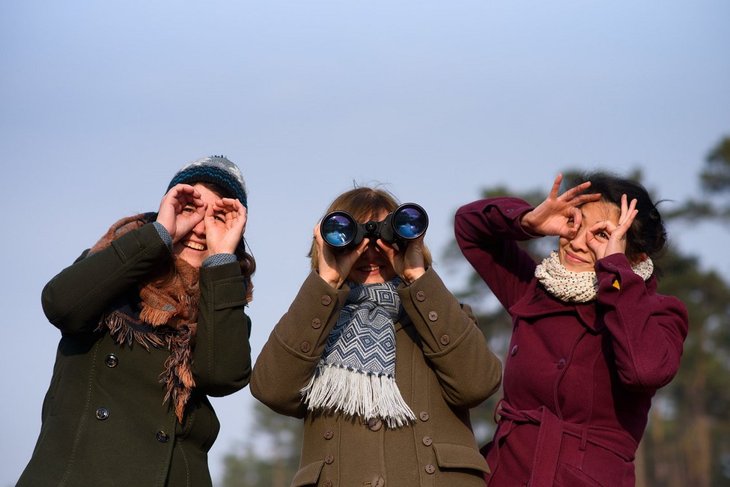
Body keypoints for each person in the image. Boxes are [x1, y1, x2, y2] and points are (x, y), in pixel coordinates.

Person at [18, 156, 255, 487]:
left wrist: (220, 261)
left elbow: (222, 376)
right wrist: (160, 233)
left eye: (218, 217)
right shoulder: (112, 270)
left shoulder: (224, 298)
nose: (201, 227)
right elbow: (61, 304)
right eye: (191, 207)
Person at [251, 186, 502, 486]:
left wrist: (417, 277)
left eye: (385, 237)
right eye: (353, 237)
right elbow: (271, 389)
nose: (370, 251)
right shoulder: (315, 322)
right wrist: (326, 281)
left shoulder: (441, 316)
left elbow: (478, 384)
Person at [454, 172, 689, 487]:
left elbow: (643, 371)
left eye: (602, 235)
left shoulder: (658, 312)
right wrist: (526, 221)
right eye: (575, 224)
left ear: (637, 253)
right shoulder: (534, 289)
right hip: (505, 474)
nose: (578, 242)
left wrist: (616, 272)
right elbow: (469, 227)